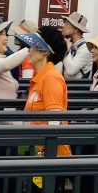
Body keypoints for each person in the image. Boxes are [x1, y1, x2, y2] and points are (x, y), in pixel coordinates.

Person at [18, 27, 70, 155]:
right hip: (39, 151)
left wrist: (46, 153)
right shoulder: (42, 76)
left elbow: (55, 118)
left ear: (45, 52)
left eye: (33, 46)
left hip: (50, 156)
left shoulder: (51, 78)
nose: (29, 50)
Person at [60, 12, 92, 79]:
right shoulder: (71, 44)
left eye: (67, 24)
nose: (63, 26)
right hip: (67, 84)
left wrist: (66, 50)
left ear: (76, 30)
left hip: (77, 85)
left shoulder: (85, 48)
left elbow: (70, 71)